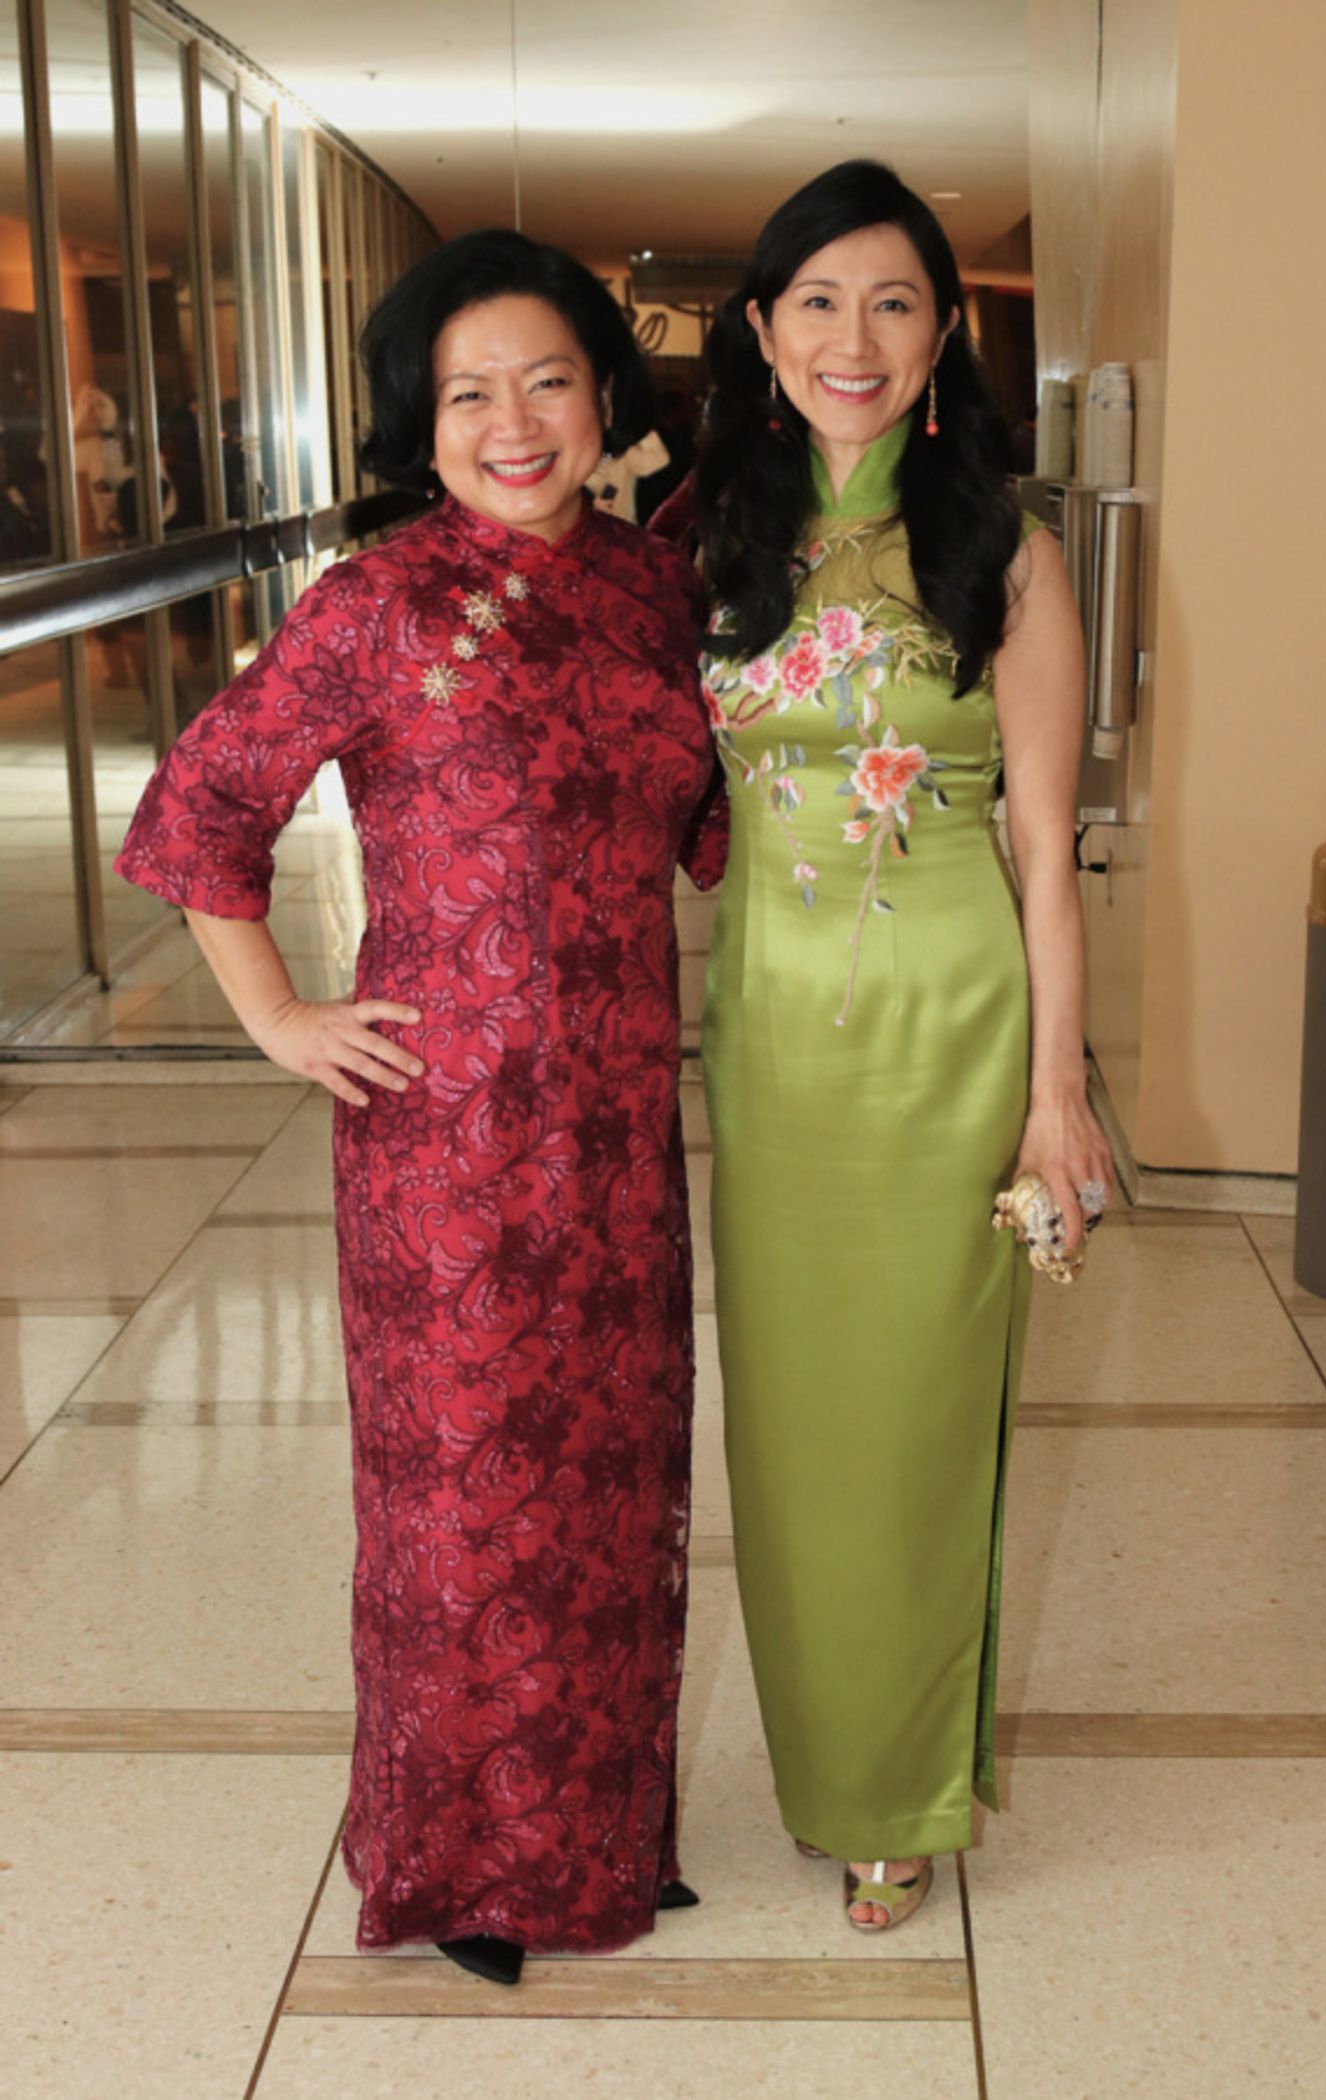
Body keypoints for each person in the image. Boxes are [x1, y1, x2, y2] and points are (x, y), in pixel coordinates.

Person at [116, 229, 726, 1985]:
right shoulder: (378, 603)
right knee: (464, 1507)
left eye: (547, 381)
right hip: (444, 1139)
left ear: (607, 398)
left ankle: (605, 1839)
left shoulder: (653, 587)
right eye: (469, 394)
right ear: (422, 421)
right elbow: (198, 807)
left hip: (620, 1134)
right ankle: (459, 1866)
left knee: (616, 1487)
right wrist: (283, 1018)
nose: (513, 422)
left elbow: (704, 826)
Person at [695, 160, 1113, 1931]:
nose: (851, 338)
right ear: (762, 330)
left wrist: (1059, 1092)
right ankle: (823, 1760)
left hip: (950, 1026)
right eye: (816, 301)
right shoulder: (711, 538)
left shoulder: (1001, 548)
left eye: (892, 302)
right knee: (791, 1436)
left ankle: (899, 1794)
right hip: (770, 1048)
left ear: (944, 332)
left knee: (920, 1426)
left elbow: (1041, 841)